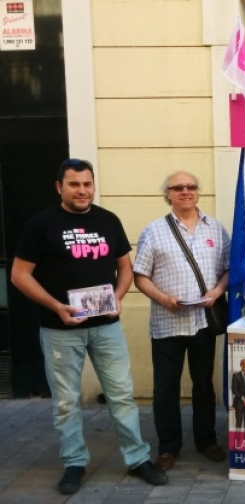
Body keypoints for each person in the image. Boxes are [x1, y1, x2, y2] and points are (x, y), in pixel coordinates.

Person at [10, 158, 167, 495]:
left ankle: (138, 459)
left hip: (106, 326)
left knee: (122, 395)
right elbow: (19, 275)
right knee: (66, 401)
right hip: (59, 328)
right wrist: (56, 306)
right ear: (59, 187)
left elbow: (124, 267)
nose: (82, 190)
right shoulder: (41, 224)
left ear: (93, 186)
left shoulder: (108, 220)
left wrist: (119, 297)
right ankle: (74, 463)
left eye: (87, 184)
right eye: (74, 184)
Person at [133, 171, 230, 472]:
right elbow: (140, 276)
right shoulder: (153, 231)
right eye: (178, 188)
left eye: (191, 186)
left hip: (203, 321)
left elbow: (228, 270)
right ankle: (168, 447)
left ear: (197, 192)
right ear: (168, 195)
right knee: (166, 388)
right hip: (167, 321)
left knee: (203, 384)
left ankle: (206, 440)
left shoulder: (215, 227)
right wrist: (163, 299)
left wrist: (217, 291)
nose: (186, 191)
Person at [231, 359, 245, 429]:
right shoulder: (236, 375)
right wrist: (243, 399)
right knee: (238, 423)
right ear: (240, 365)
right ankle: (237, 440)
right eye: (243, 364)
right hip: (239, 403)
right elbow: (234, 390)